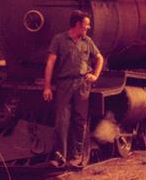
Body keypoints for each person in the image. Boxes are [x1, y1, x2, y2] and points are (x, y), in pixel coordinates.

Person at [42, 10, 104, 168]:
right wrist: (47, 87)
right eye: (86, 25)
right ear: (77, 24)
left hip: (82, 84)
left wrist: (95, 75)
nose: (88, 27)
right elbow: (50, 63)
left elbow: (99, 58)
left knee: (79, 121)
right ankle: (59, 157)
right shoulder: (59, 39)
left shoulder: (87, 41)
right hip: (64, 84)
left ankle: (76, 157)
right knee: (61, 121)